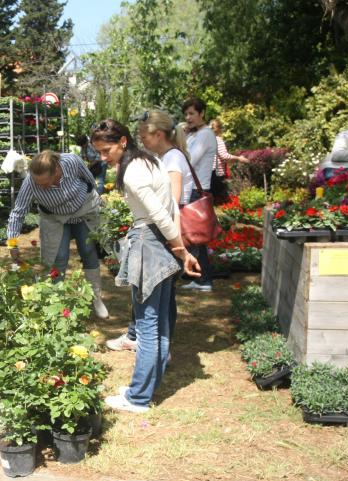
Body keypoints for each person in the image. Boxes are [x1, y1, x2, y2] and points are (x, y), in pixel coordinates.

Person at [90, 119, 199, 413]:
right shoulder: (150, 160)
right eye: (98, 152)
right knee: (160, 322)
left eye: (106, 150)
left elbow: (160, 215)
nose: (103, 157)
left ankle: (137, 397)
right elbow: (172, 208)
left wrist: (179, 247)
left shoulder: (133, 171)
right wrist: (178, 248)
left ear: (123, 141)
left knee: (148, 326)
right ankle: (147, 388)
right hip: (161, 243)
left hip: (150, 243)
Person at [106, 110, 193, 352]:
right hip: (164, 230)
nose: (141, 139)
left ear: (158, 134)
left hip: (165, 231)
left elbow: (170, 204)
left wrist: (177, 245)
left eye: (144, 135)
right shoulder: (158, 157)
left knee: (159, 300)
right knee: (155, 295)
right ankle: (152, 344)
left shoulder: (172, 159)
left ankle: (155, 347)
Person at [6, 150, 109, 319]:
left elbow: (90, 180)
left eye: (45, 183)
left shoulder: (72, 161)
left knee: (89, 252)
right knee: (57, 258)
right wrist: (12, 243)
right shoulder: (31, 182)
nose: (42, 186)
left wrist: (98, 204)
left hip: (83, 211)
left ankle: (96, 299)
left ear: (57, 171)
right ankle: (55, 303)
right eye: (39, 183)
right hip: (55, 218)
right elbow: (18, 212)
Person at [182, 97, 217, 292]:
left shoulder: (205, 134)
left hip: (198, 189)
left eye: (192, 113)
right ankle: (199, 277)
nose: (188, 118)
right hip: (194, 189)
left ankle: (204, 279)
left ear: (202, 113)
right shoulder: (195, 134)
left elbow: (189, 160)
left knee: (196, 236)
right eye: (186, 114)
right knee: (193, 236)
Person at [210, 119, 250, 185]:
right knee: (219, 195)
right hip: (216, 175)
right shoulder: (217, 140)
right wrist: (239, 158)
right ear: (220, 129)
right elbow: (224, 156)